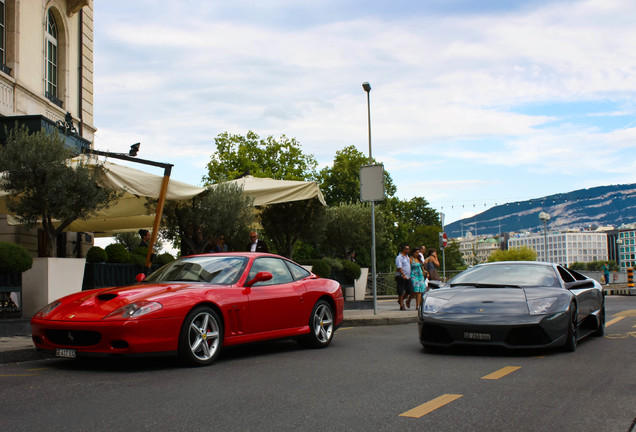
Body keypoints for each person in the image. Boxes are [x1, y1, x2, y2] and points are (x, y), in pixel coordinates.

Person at [395, 244, 413, 310]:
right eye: (407, 249)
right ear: (403, 249)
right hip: (401, 276)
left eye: (409, 249)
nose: (408, 250)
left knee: (410, 290)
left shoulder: (407, 257)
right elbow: (399, 267)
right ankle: (402, 305)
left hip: (408, 276)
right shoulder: (399, 257)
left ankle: (401, 300)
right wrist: (403, 274)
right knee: (401, 291)